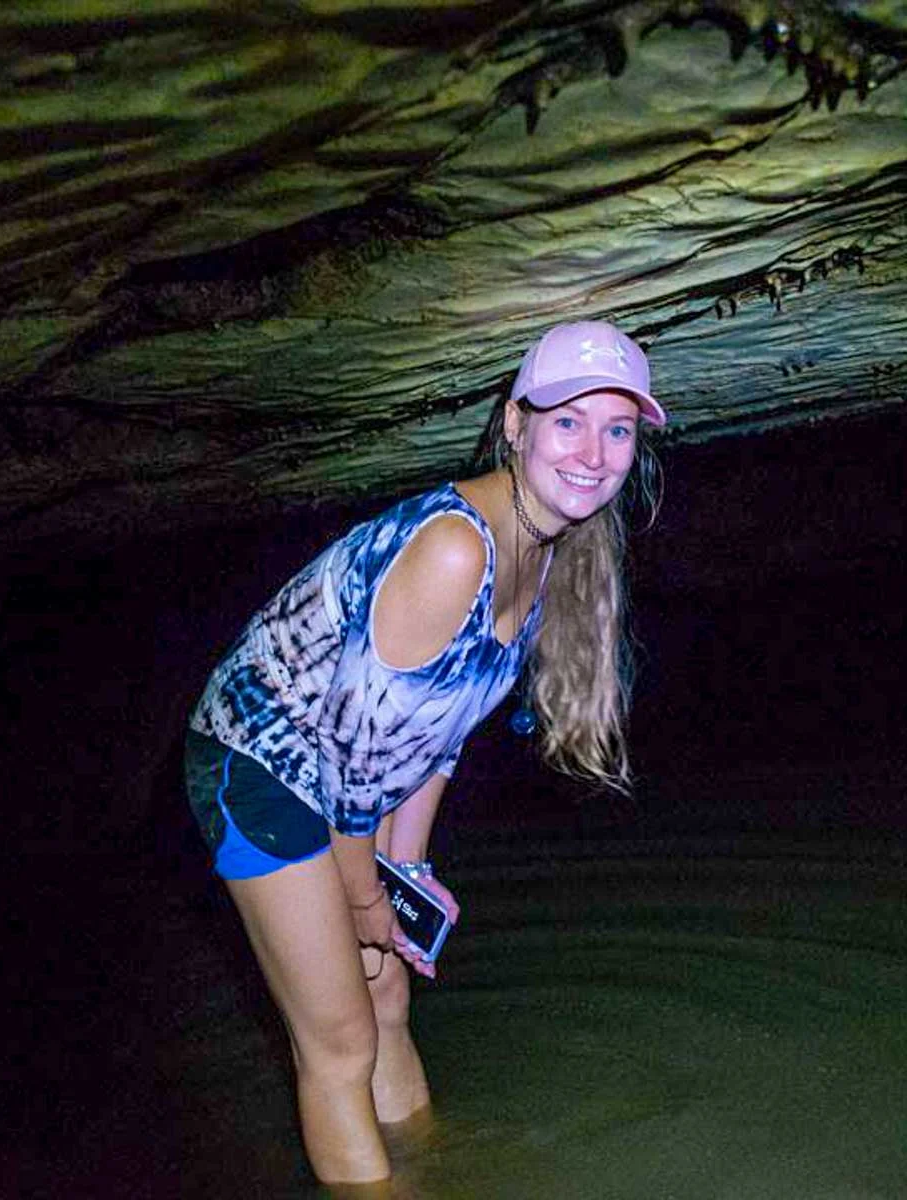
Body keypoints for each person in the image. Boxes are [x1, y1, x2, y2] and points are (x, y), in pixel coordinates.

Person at [183, 319, 667, 1188]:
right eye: (569, 421)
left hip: (345, 771)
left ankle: (435, 1169)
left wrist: (407, 868)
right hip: (259, 759)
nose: (595, 452)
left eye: (619, 429)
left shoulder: (549, 555)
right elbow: (353, 761)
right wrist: (368, 894)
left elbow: (437, 735)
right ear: (515, 424)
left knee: (387, 995)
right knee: (339, 1038)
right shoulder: (455, 549)